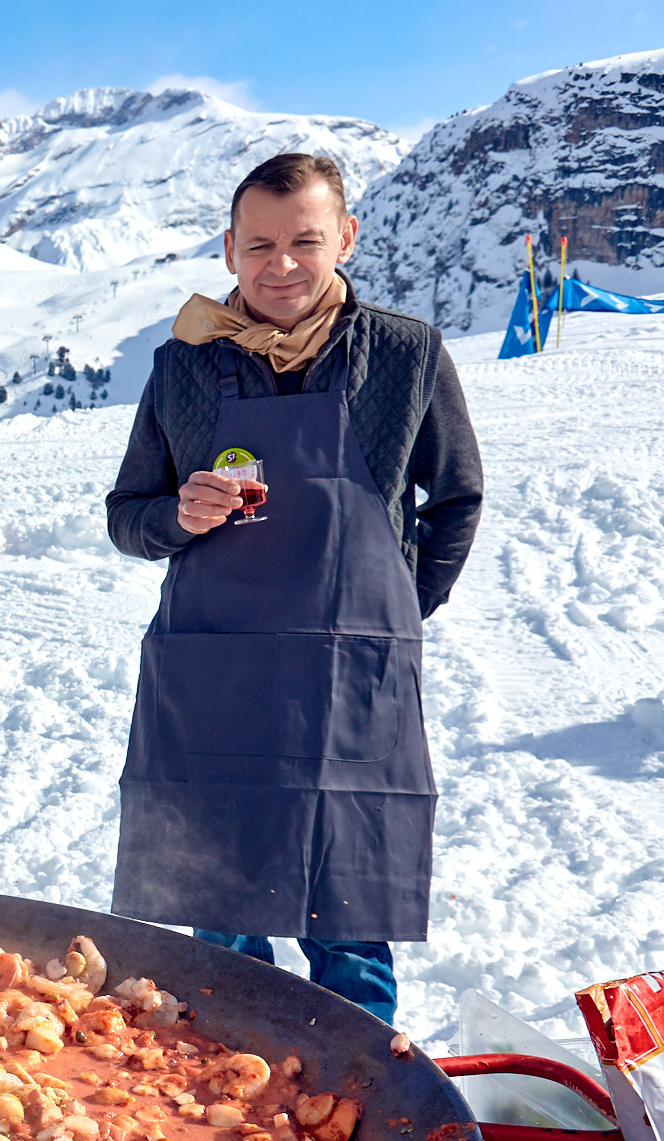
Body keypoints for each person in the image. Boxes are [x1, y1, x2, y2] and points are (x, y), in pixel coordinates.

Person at [105, 153, 484, 1024]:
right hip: (215, 677)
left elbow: (455, 497)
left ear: (344, 239)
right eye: (259, 245)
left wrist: (390, 617)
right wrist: (177, 515)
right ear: (230, 250)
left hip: (351, 680)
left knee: (348, 919)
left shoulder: (404, 353)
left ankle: (368, 1124)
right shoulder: (183, 365)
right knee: (222, 927)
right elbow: (128, 514)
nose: (281, 264)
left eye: (304, 242)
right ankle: (223, 1115)